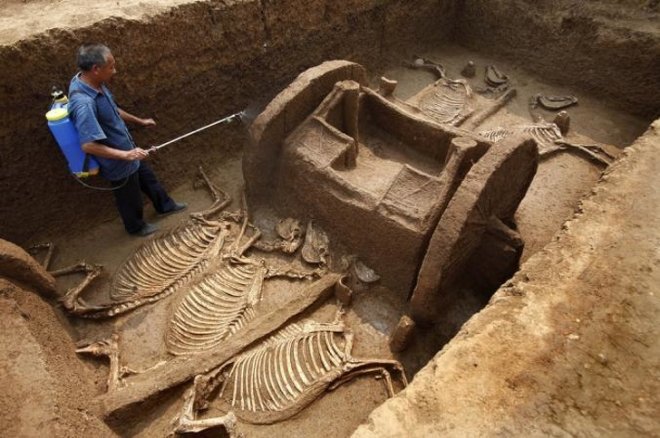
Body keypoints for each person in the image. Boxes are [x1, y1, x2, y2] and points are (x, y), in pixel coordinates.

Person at [68, 43, 186, 236]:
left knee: (149, 179)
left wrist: (140, 121)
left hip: (129, 150)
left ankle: (165, 206)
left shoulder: (94, 84)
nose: (115, 71)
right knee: (129, 197)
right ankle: (136, 227)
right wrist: (126, 155)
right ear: (96, 69)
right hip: (118, 162)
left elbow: (112, 110)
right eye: (111, 67)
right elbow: (88, 145)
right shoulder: (84, 104)